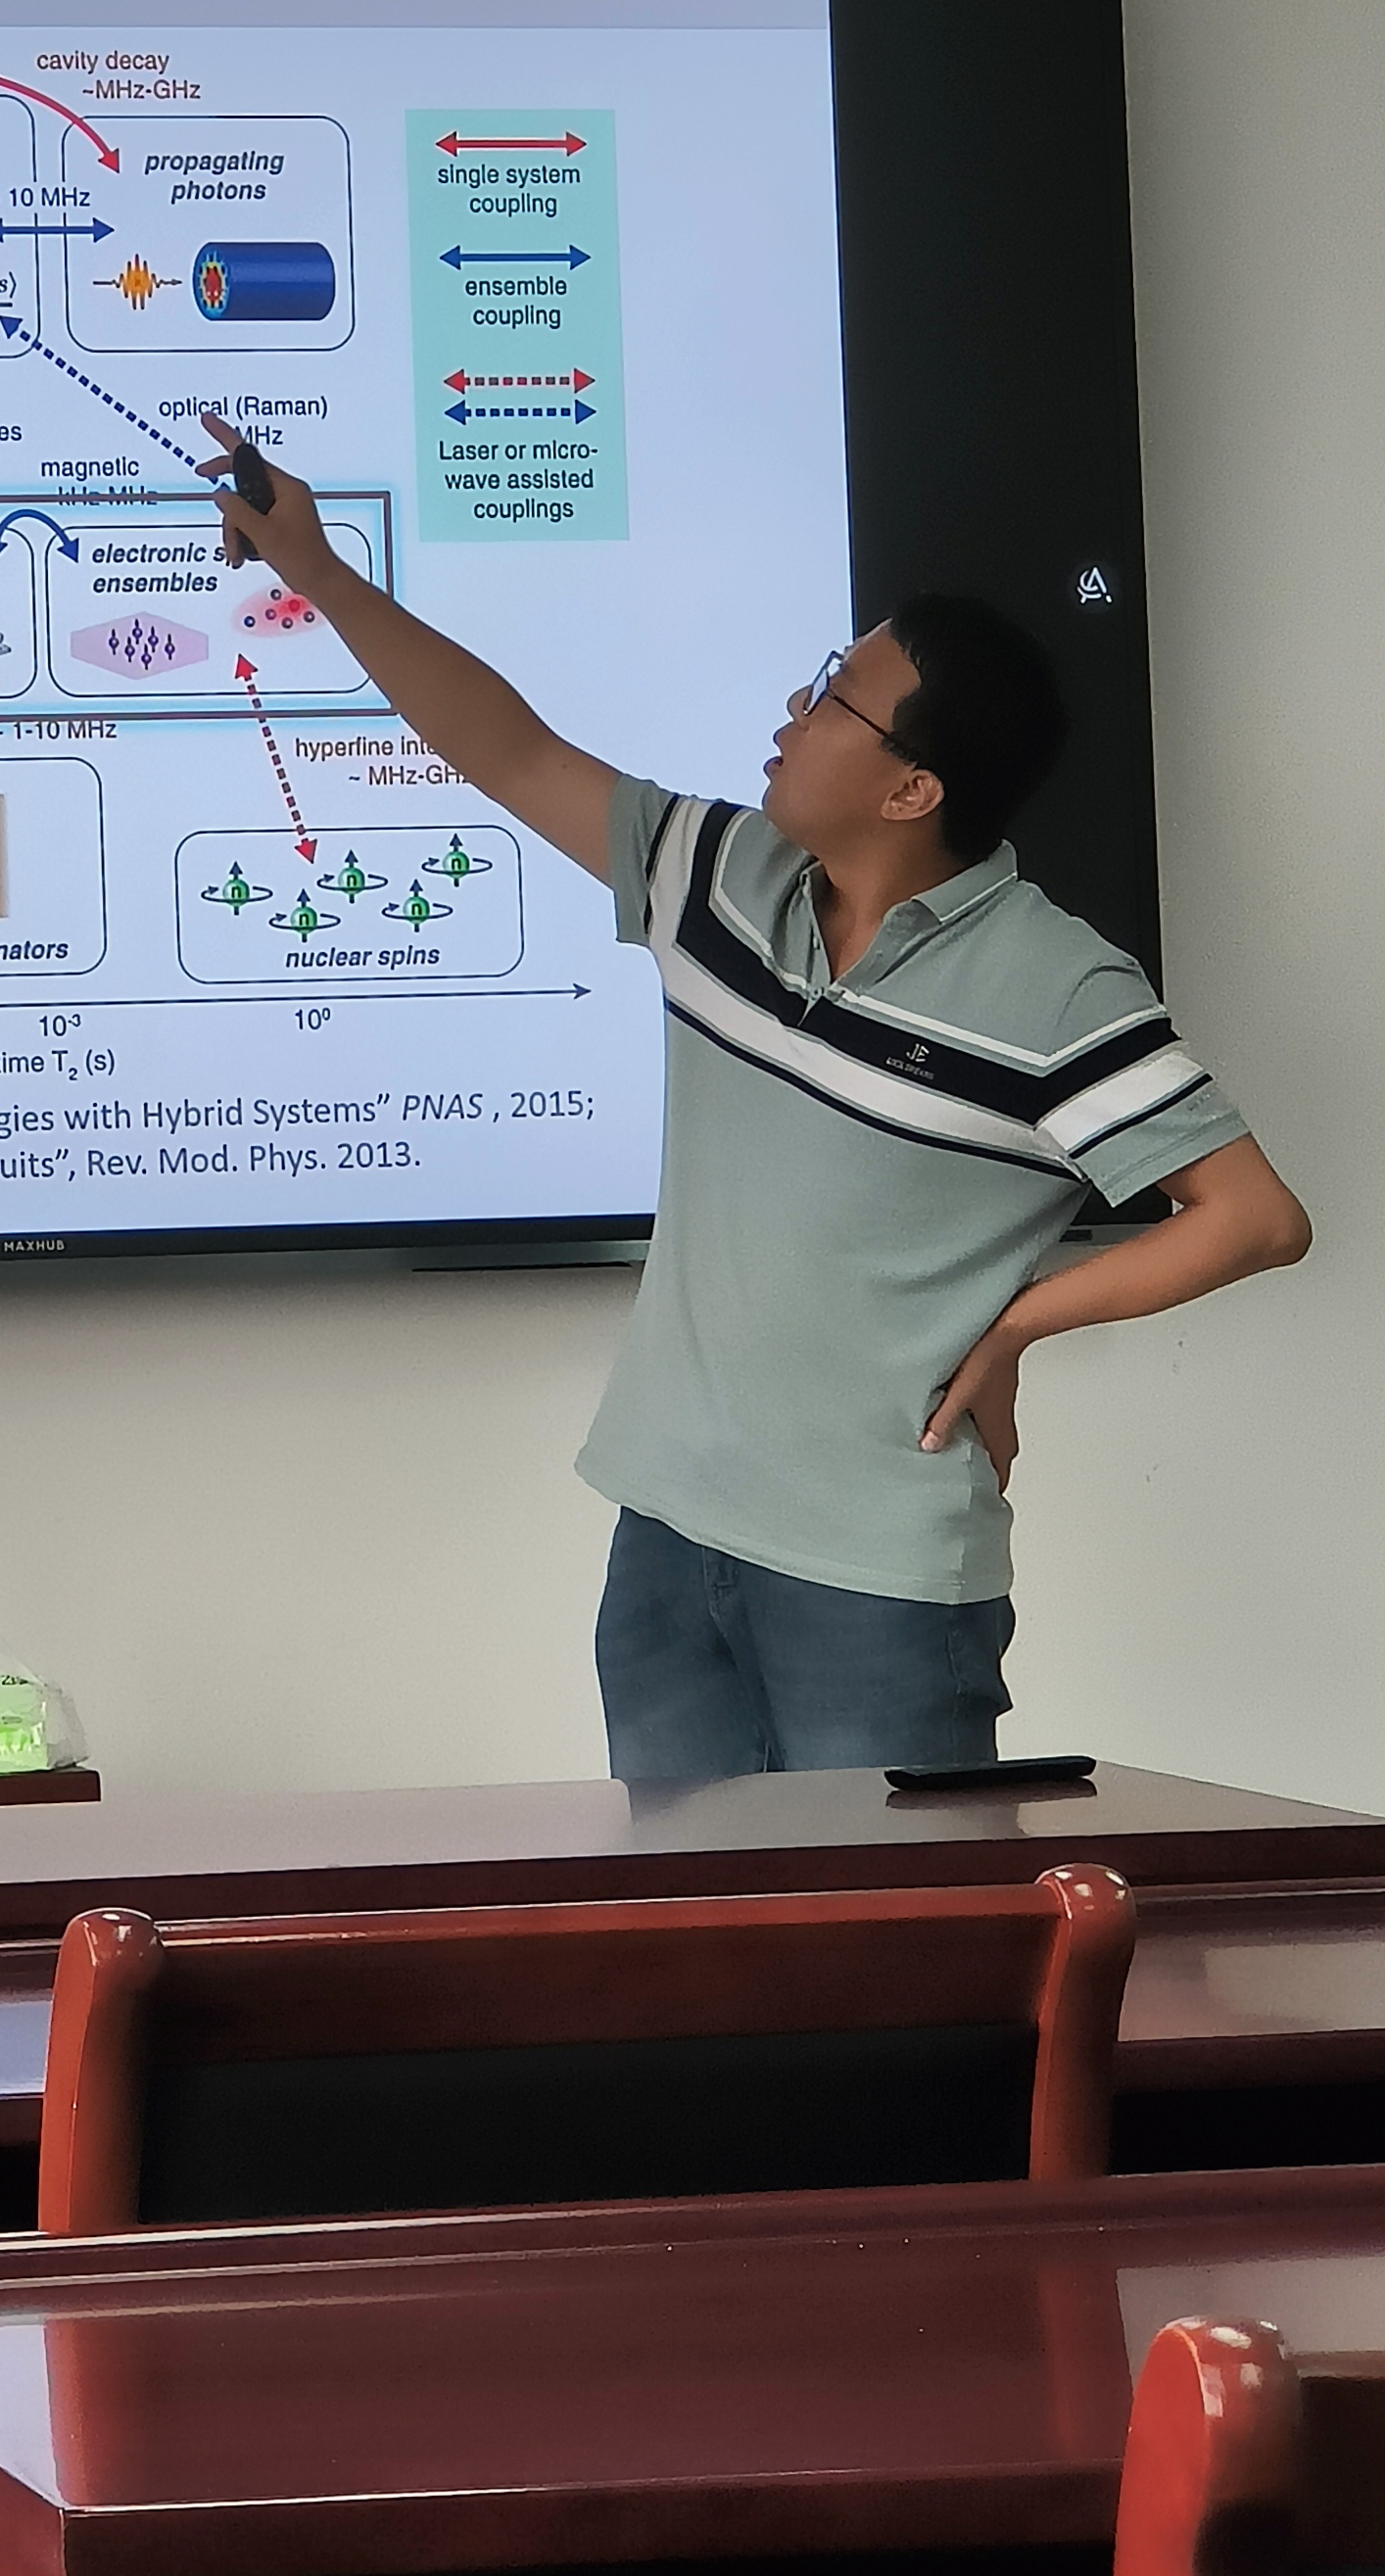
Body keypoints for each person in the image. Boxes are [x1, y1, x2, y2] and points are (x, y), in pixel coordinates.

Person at [203, 420, 1310, 1776]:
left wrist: (1020, 1322)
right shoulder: (719, 877)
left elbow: (1253, 1217)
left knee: (891, 1923)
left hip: (879, 1582)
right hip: (668, 1544)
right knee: (694, 1919)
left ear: (913, 788)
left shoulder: (1057, 983)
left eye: (837, 698)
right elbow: (511, 753)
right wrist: (320, 572)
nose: (794, 711)